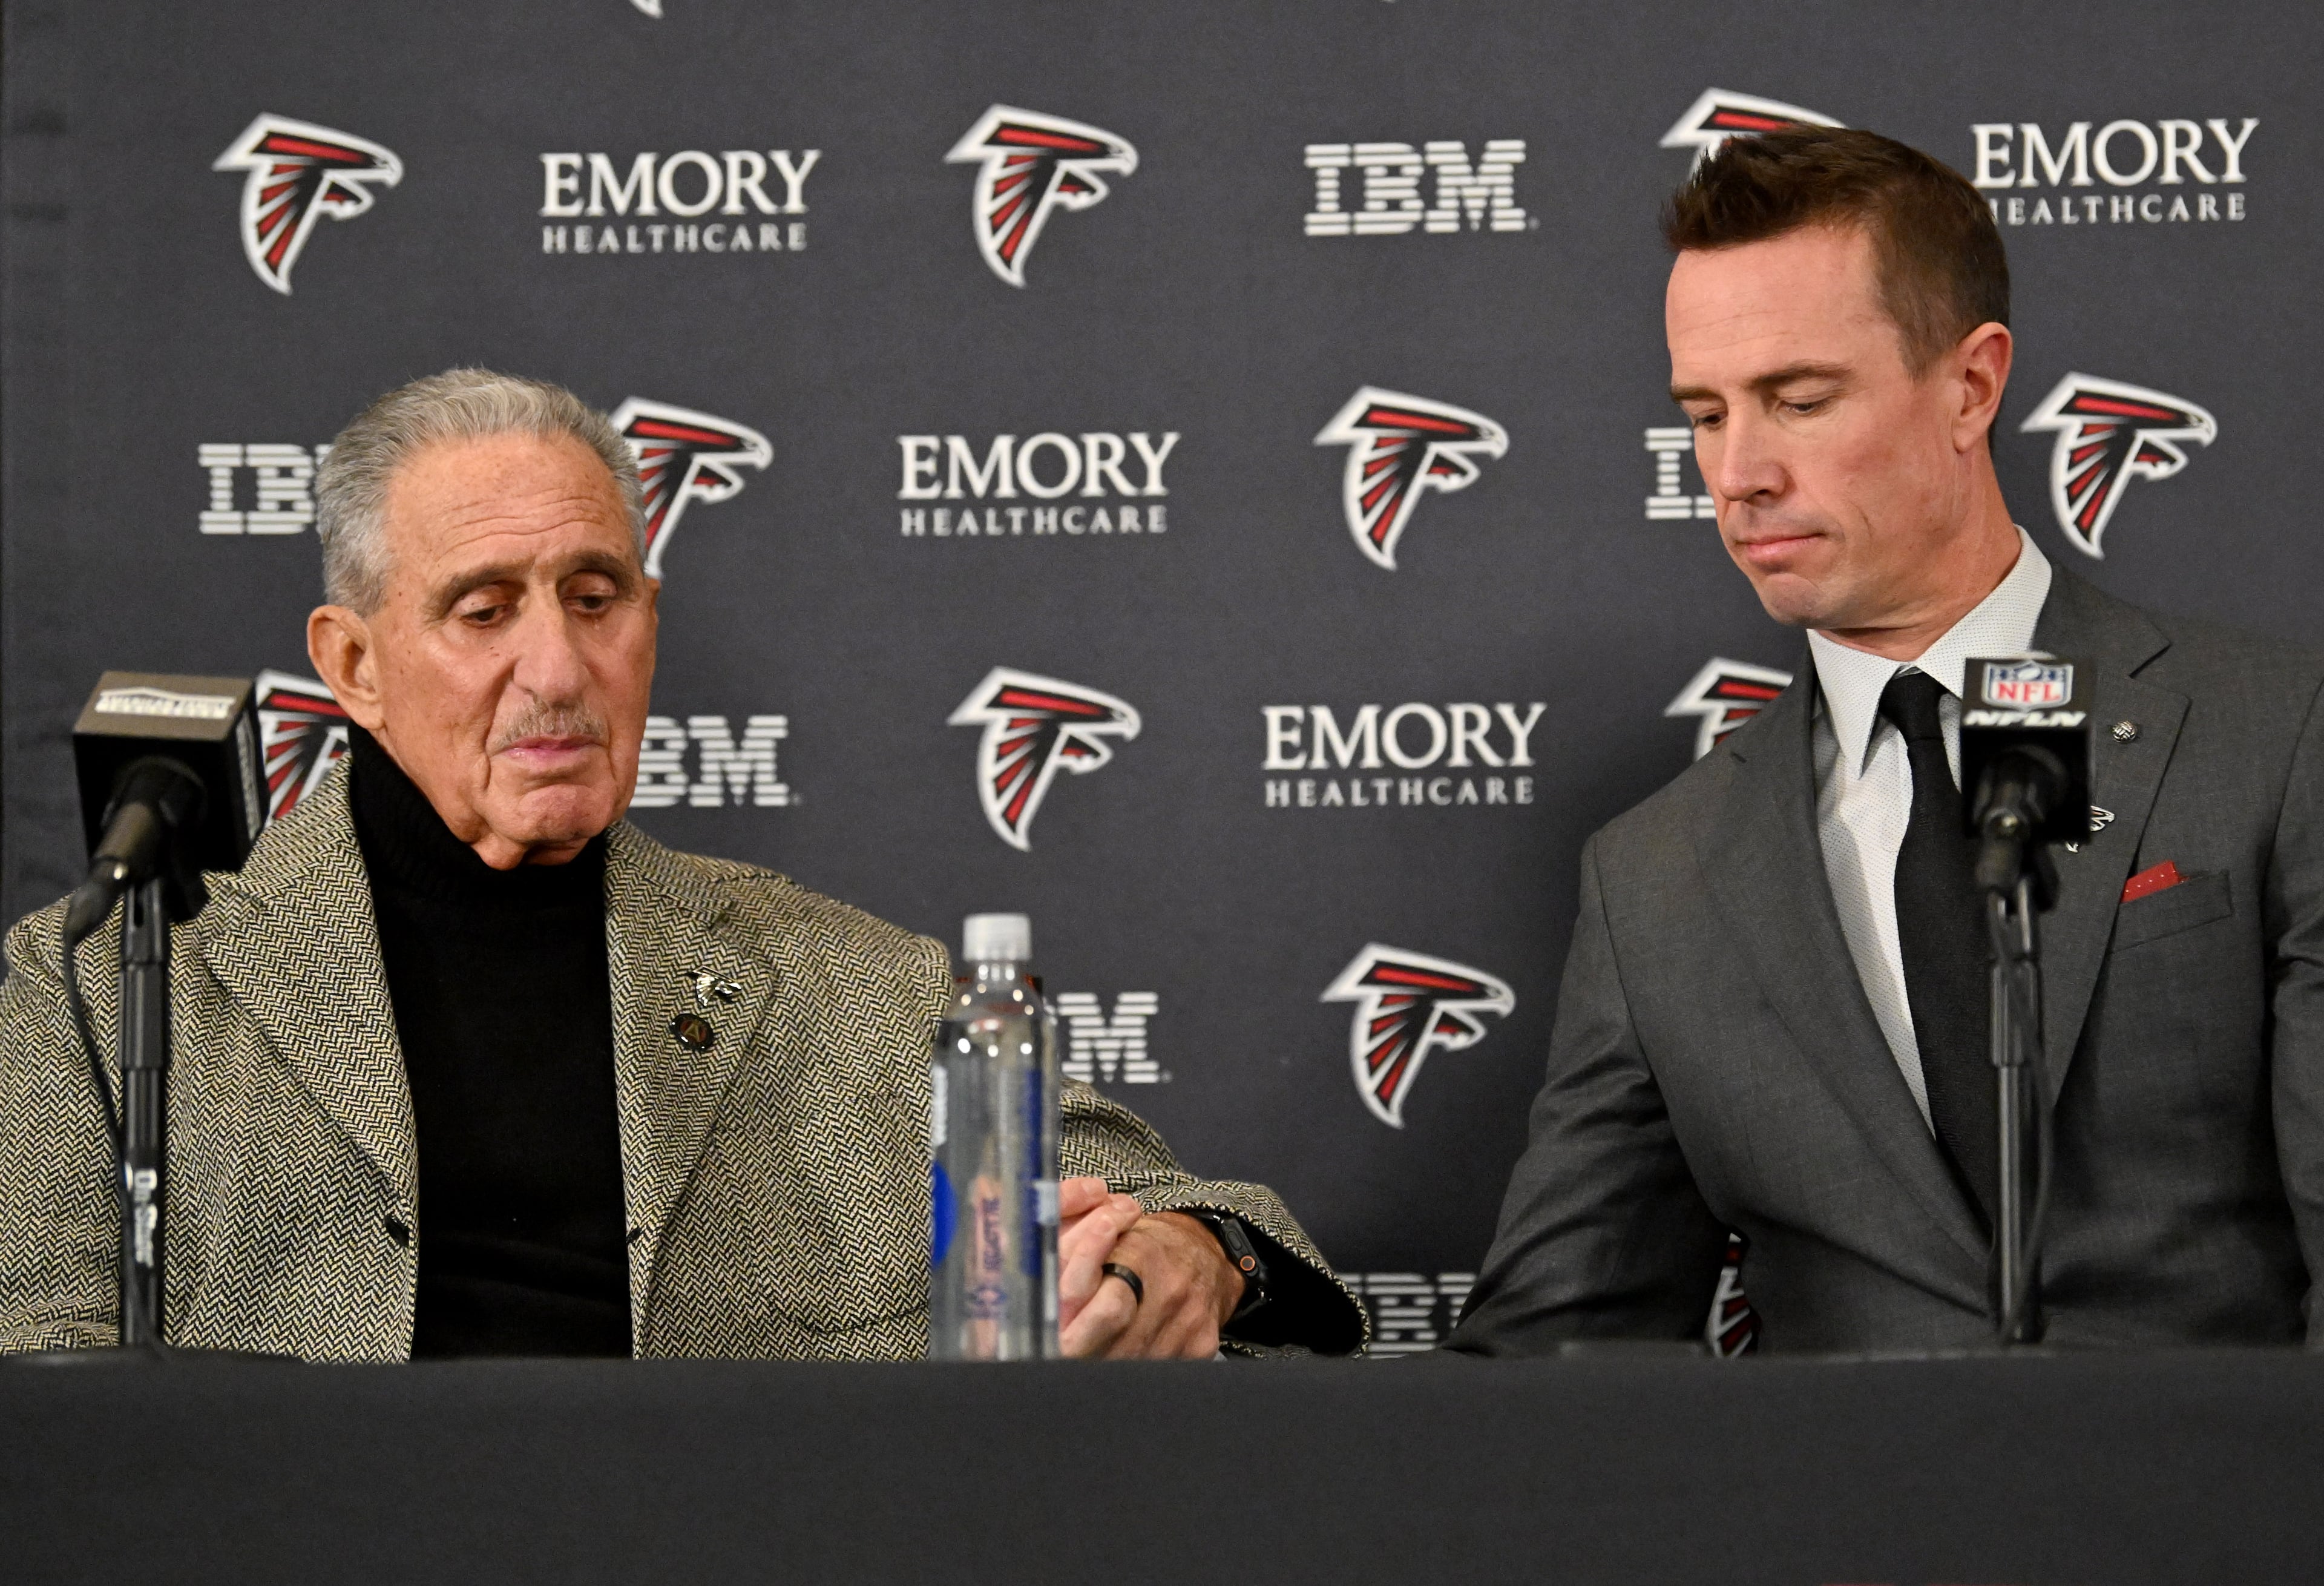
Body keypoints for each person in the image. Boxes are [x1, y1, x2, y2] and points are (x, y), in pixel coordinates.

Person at [0, 369, 1365, 1361]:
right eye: (485, 610)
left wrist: (1184, 1263)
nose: (559, 668)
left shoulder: (852, 983)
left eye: (595, 600)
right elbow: (40, 1387)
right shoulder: (105, 985)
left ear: (648, 620)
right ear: (352, 662)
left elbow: (1201, 1214)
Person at [1450, 127, 2324, 1353]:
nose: (1738, 471)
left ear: (1970, 386)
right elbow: (1546, 1351)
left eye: (1799, 400)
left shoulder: (2281, 738)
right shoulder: (1657, 877)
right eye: (1704, 413)